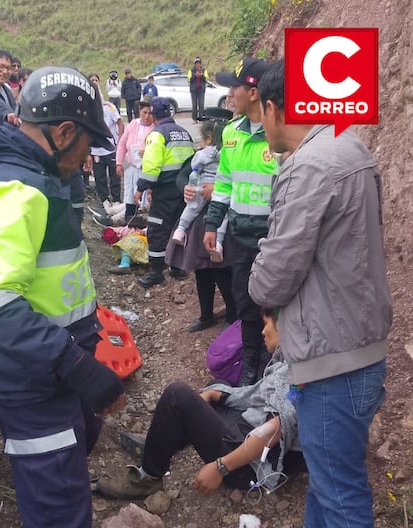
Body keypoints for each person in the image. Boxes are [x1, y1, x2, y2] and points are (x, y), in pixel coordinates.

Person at [0, 66, 126, 527]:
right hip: (31, 382)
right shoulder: (14, 189)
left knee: (70, 463)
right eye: (88, 143)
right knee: (59, 513)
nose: (90, 158)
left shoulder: (26, 174)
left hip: (46, 370)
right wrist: (76, 367)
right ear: (64, 131)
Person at [249, 59, 390, 527]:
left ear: (272, 107)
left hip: (333, 359)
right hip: (360, 346)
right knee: (327, 488)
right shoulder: (351, 147)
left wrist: (256, 282)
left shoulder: (307, 167)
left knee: (341, 496)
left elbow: (273, 278)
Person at [97, 308, 300, 499]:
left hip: (250, 467)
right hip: (249, 431)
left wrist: (221, 467)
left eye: (267, 324)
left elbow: (275, 429)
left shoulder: (291, 374)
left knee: (177, 395)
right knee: (218, 386)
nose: (263, 331)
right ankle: (163, 441)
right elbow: (257, 394)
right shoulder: (292, 360)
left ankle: (147, 478)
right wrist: (218, 394)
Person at [204, 57, 277, 386]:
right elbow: (223, 184)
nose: (229, 93)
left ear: (253, 92)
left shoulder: (278, 137)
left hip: (274, 238)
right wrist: (211, 225)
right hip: (241, 238)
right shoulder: (231, 133)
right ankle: (251, 369)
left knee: (275, 305)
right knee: (246, 304)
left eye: (234, 86)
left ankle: (276, 368)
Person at [167, 110, 238, 332]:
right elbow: (181, 175)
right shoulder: (200, 155)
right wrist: (185, 188)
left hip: (223, 219)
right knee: (201, 269)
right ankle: (206, 314)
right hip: (199, 220)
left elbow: (243, 182)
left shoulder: (234, 155)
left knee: (221, 270)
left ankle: (233, 315)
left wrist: (217, 189)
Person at [134, 97, 195, 288]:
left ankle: (156, 272)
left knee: (157, 228)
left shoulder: (157, 135)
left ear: (153, 115)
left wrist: (140, 188)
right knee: (179, 227)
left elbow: (151, 167)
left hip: (164, 191)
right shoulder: (184, 133)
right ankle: (177, 267)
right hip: (183, 189)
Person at [172, 119, 228, 262]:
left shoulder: (204, 155)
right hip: (208, 216)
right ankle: (218, 244)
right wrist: (186, 187)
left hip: (216, 207)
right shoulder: (223, 154)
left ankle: (181, 230)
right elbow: (183, 175)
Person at [115, 95, 155, 221]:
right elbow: (122, 144)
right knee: (130, 198)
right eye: (144, 112)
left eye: (150, 113)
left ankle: (140, 224)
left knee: (143, 202)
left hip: (145, 169)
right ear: (140, 111)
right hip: (131, 167)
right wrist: (119, 162)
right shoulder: (133, 124)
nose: (147, 116)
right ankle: (128, 221)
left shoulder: (155, 128)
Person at [88, 72, 124, 205]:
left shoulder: (109, 106)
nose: (94, 83)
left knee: (115, 175)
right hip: (96, 150)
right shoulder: (88, 108)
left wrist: (120, 141)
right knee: (100, 177)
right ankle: (104, 200)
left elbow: (120, 123)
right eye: (91, 80)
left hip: (111, 148)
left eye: (96, 80)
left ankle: (116, 200)